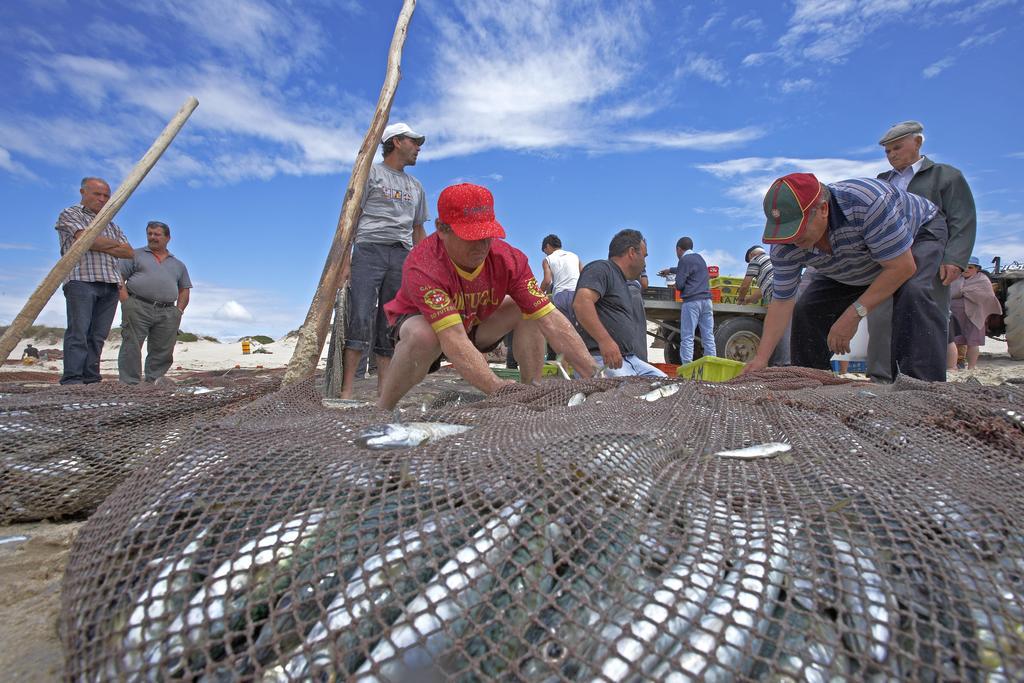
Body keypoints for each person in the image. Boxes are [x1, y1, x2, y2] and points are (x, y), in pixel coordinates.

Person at [377, 183, 597, 409]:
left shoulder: (510, 260)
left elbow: (550, 319)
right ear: (442, 229)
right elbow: (453, 338)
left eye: (487, 235)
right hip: (425, 327)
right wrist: (499, 389)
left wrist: (594, 375)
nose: (482, 246)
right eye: (471, 236)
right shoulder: (424, 265)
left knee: (530, 309)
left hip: (472, 323)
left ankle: (533, 392)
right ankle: (384, 407)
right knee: (423, 335)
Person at [744, 173, 946, 381]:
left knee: (913, 292)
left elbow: (902, 267)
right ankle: (809, 380)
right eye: (787, 232)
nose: (793, 240)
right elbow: (782, 302)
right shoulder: (784, 245)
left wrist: (854, 314)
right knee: (808, 309)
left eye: (799, 229)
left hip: (914, 237)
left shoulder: (868, 203)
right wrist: (761, 358)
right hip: (854, 258)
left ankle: (920, 383)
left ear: (823, 209)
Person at [866, 120, 977, 382]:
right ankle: (882, 378)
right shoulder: (883, 182)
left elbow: (962, 219)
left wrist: (954, 258)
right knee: (880, 311)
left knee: (923, 307)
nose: (892, 154)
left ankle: (924, 379)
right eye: (887, 151)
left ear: (917, 143)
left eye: (897, 147)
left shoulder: (945, 176)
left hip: (930, 255)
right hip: (889, 255)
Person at [340, 122, 428, 399]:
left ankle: (382, 393)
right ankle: (347, 390)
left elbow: (417, 229)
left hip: (401, 254)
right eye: (414, 142)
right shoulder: (370, 173)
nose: (418, 148)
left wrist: (426, 266)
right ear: (397, 142)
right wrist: (344, 262)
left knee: (390, 324)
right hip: (368, 249)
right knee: (361, 315)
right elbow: (351, 218)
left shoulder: (415, 186)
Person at [55, 177, 134, 385]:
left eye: (106, 196)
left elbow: (127, 252)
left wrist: (95, 242)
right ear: (83, 192)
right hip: (82, 279)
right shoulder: (71, 213)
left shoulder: (111, 224)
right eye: (97, 194)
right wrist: (99, 243)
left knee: (98, 335)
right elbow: (83, 238)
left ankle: (91, 377)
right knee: (78, 331)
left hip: (109, 282)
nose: (102, 199)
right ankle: (73, 378)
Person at [573, 230, 666, 377]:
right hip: (601, 358)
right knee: (627, 395)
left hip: (630, 359)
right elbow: (581, 302)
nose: (645, 262)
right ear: (631, 252)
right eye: (644, 256)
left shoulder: (623, 283)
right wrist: (605, 341)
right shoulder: (602, 268)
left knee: (667, 385)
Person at [117, 221, 192, 384]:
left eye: (157, 234)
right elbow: (119, 278)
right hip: (137, 305)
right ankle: (130, 383)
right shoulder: (134, 255)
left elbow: (184, 289)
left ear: (168, 238)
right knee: (132, 345)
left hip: (168, 311)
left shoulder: (178, 264)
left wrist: (178, 311)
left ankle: (154, 382)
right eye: (149, 234)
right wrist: (126, 302)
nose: (152, 237)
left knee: (163, 348)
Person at [658, 237, 716, 364]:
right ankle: (711, 365)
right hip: (707, 301)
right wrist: (670, 270)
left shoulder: (684, 260)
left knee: (687, 337)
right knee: (708, 337)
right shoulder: (700, 259)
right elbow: (690, 269)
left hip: (692, 302)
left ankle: (687, 368)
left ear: (678, 249)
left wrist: (675, 278)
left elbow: (679, 285)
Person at [950, 256, 1002, 370]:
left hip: (975, 317)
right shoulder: (955, 279)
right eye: (964, 267)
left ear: (977, 269)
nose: (967, 269)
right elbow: (949, 294)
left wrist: (964, 292)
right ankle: (953, 366)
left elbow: (987, 296)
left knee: (973, 343)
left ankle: (972, 367)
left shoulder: (982, 280)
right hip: (957, 316)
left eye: (970, 267)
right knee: (954, 341)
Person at [540, 234, 582, 321]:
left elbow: (547, 281)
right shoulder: (574, 256)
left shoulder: (547, 259)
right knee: (581, 328)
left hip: (561, 295)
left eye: (545, 252)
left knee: (566, 328)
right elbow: (584, 274)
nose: (546, 254)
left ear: (547, 246)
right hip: (578, 294)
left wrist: (538, 295)